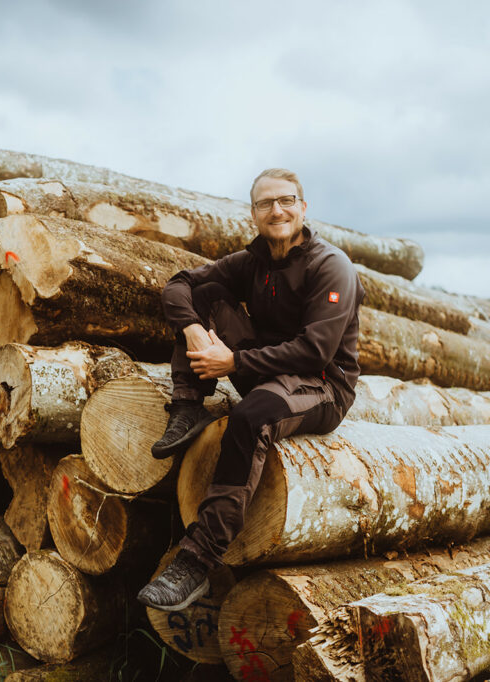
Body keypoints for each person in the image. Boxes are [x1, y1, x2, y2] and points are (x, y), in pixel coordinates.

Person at [137, 168, 365, 611]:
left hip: (321, 385)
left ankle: (198, 560)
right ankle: (187, 407)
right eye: (265, 203)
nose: (276, 210)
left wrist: (234, 362)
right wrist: (193, 332)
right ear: (254, 213)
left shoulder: (330, 266)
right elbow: (178, 285)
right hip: (268, 369)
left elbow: (315, 351)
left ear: (302, 207)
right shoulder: (252, 262)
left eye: (286, 200)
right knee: (205, 295)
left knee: (249, 417)